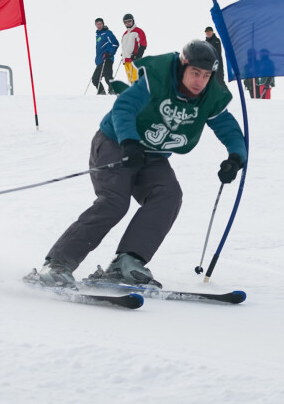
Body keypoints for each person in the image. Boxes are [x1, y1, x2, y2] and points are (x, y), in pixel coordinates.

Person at [31, 40, 247, 288]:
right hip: (117, 143)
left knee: (168, 194)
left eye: (206, 76)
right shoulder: (156, 77)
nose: (200, 81)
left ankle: (127, 261)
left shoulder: (210, 96)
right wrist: (130, 141)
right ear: (182, 67)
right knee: (114, 202)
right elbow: (124, 106)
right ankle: (57, 264)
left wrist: (235, 158)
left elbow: (228, 129)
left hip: (153, 155)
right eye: (195, 73)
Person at [91, 18, 119, 95]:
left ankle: (113, 90)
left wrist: (110, 53)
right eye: (97, 24)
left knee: (108, 76)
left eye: (100, 24)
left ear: (103, 24)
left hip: (107, 59)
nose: (99, 25)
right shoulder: (98, 35)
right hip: (100, 60)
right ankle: (101, 92)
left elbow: (115, 43)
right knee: (95, 79)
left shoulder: (107, 33)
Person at [120, 13, 147, 84]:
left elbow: (143, 45)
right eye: (126, 22)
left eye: (129, 21)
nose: (128, 23)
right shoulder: (125, 34)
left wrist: (138, 56)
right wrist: (123, 55)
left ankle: (140, 92)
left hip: (133, 59)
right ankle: (133, 93)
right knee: (130, 80)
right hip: (126, 60)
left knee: (136, 78)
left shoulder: (138, 31)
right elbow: (125, 47)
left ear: (133, 21)